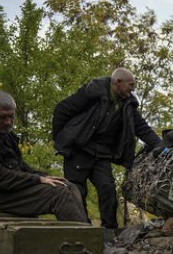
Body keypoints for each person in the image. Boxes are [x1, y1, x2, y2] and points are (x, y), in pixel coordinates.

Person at [52, 68, 161, 229]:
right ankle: (81, 228)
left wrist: (162, 146)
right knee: (77, 191)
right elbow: (61, 109)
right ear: (118, 83)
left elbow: (143, 129)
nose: (133, 89)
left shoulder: (128, 105)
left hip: (101, 154)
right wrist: (62, 138)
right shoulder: (91, 94)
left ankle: (110, 230)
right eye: (130, 85)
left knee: (108, 189)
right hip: (78, 151)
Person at [0, 90, 87, 222]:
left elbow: (19, 166)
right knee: (59, 194)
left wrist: (43, 176)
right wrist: (37, 180)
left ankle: (86, 235)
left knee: (67, 185)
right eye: (2, 117)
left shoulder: (4, 133)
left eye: (11, 116)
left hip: (5, 191)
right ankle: (80, 238)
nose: (8, 122)